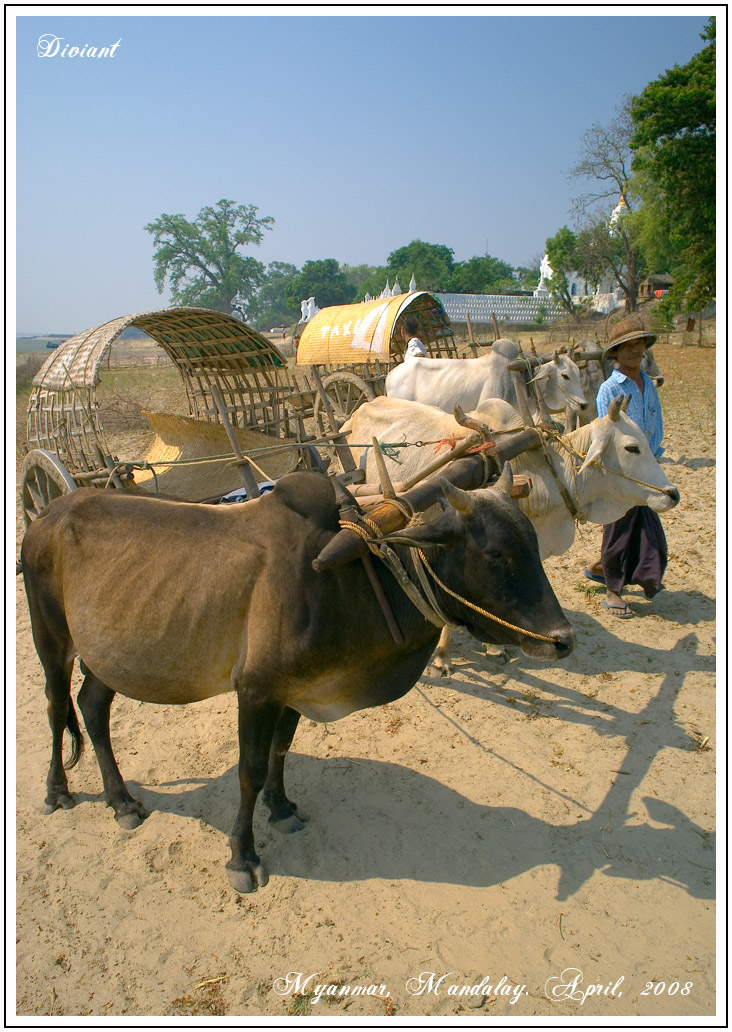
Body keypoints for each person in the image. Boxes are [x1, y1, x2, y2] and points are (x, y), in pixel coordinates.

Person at [584, 316, 667, 618]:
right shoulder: (610, 388)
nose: (635, 350)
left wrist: (653, 458)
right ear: (615, 354)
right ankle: (613, 592)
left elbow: (655, 425)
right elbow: (607, 431)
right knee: (618, 529)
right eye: (627, 346)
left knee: (644, 529)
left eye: (639, 343)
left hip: (645, 468)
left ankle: (598, 569)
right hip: (621, 472)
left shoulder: (649, 385)